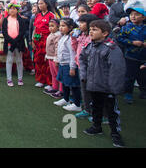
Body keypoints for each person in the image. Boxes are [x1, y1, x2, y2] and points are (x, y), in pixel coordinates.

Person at [80, 20, 126, 148]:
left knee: (112, 111)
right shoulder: (90, 46)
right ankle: (97, 126)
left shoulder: (111, 48)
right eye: (90, 29)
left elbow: (117, 68)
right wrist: (83, 75)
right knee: (95, 106)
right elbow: (82, 58)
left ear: (105, 33)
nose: (90, 32)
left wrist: (114, 88)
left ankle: (116, 133)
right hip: (93, 85)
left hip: (107, 87)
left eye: (94, 30)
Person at [116, 0, 146, 103]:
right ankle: (128, 93)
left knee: (143, 76)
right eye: (131, 14)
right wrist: (132, 42)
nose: (133, 16)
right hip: (130, 56)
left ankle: (143, 91)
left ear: (143, 17)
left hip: (143, 57)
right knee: (129, 76)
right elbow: (119, 38)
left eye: (136, 14)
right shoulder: (126, 28)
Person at [71, 14, 99, 119]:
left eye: (82, 23)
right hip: (80, 66)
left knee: (93, 91)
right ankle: (87, 109)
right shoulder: (81, 35)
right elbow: (75, 48)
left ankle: (97, 113)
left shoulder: (93, 37)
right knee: (84, 90)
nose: (80, 25)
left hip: (91, 67)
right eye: (79, 22)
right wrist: (73, 38)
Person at [53, 18, 82, 112]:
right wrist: (57, 59)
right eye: (60, 26)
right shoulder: (63, 36)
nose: (61, 28)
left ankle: (77, 104)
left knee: (73, 84)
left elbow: (73, 53)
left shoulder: (70, 38)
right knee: (64, 83)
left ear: (70, 27)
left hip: (69, 65)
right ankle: (66, 99)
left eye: (63, 26)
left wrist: (72, 67)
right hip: (62, 63)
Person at [1, 2, 28, 87]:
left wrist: (15, 41)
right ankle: (9, 79)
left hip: (19, 43)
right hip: (9, 43)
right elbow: (4, 32)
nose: (12, 10)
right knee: (9, 60)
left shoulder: (21, 20)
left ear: (17, 10)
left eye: (14, 8)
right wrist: (11, 41)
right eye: (10, 8)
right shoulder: (6, 20)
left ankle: (20, 78)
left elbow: (22, 32)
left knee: (19, 60)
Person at [32, 0, 56, 88]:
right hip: (38, 41)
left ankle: (50, 82)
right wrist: (33, 40)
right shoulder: (37, 15)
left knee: (48, 62)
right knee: (38, 60)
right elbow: (35, 29)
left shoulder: (51, 15)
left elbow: (55, 29)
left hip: (48, 41)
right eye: (38, 4)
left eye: (41, 3)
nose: (39, 5)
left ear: (46, 4)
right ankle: (40, 80)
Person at [44, 19, 62, 98]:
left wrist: (56, 57)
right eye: (49, 26)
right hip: (50, 57)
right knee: (53, 74)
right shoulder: (51, 34)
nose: (50, 28)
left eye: (52, 26)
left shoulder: (57, 35)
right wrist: (47, 55)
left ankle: (61, 90)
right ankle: (55, 87)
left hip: (54, 58)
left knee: (58, 74)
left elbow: (57, 47)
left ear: (58, 27)